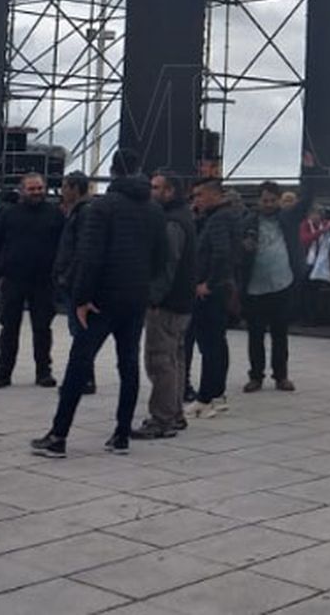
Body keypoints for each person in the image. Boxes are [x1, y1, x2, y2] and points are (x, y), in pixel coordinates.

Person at [31, 150, 166, 458]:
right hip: (135, 298)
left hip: (101, 300)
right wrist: (146, 289)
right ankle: (121, 435)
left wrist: (80, 298)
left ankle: (59, 436)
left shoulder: (102, 207)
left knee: (79, 365)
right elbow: (161, 260)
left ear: (112, 171)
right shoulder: (154, 210)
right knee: (128, 364)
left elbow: (89, 257)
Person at [134, 170, 198, 440]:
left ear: (170, 191)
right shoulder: (185, 217)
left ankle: (162, 418)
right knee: (176, 358)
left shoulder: (172, 222)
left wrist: (155, 297)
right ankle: (175, 413)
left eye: (156, 187)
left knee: (160, 360)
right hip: (183, 300)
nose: (151, 191)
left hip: (168, 303)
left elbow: (167, 265)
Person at [0, 172, 65, 390]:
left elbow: (64, 246)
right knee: (9, 328)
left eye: (40, 188)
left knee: (42, 329)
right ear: (22, 191)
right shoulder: (9, 215)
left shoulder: (55, 214)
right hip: (13, 280)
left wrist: (59, 275)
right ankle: (2, 373)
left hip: (44, 281)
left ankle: (43, 372)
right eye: (32, 189)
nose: (37, 192)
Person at [241, 180, 311, 394]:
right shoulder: (248, 220)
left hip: (283, 282)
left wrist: (311, 173)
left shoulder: (288, 217)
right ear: (258, 201)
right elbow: (236, 244)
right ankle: (256, 376)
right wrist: (244, 247)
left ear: (279, 200)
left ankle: (281, 375)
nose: (268, 204)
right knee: (255, 334)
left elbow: (307, 200)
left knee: (280, 333)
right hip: (254, 285)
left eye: (272, 200)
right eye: (265, 200)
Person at [188, 176, 242, 417]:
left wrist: (208, 284)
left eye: (199, 195)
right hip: (221, 287)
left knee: (209, 344)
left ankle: (206, 396)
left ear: (214, 195)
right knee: (217, 343)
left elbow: (221, 253)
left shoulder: (219, 219)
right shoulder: (223, 217)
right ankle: (217, 394)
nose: (196, 200)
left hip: (211, 291)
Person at [54, 172, 95, 394]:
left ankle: (84, 379)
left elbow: (81, 248)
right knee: (78, 331)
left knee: (81, 332)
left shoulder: (84, 213)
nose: (62, 191)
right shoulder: (76, 212)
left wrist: (67, 276)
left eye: (64, 186)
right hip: (73, 279)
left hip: (76, 282)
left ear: (74, 188)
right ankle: (83, 377)